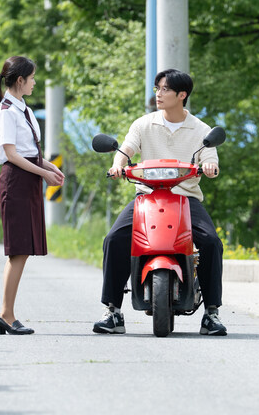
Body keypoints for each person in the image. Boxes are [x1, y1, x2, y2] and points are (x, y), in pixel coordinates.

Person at [93, 69, 227, 336]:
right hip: (147, 196)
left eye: (165, 89)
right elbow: (127, 150)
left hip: (186, 199)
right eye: (157, 89)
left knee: (211, 242)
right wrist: (118, 165)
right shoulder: (144, 124)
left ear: (182, 95)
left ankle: (211, 313)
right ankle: (113, 311)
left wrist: (210, 167)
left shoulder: (201, 130)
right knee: (114, 239)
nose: (158, 94)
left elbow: (210, 157)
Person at [0, 56, 64, 335]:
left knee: (23, 251)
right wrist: (44, 173)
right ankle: (6, 314)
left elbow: (30, 152)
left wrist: (50, 167)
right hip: (17, 181)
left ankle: (5, 314)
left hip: (28, 179)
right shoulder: (7, 110)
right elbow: (11, 154)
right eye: (32, 78)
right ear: (20, 80)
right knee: (18, 250)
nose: (34, 83)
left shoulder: (25, 109)